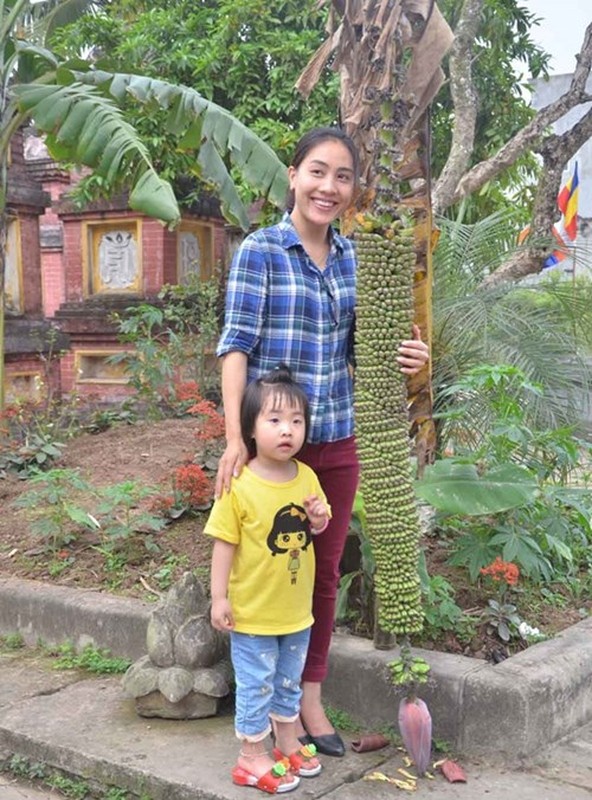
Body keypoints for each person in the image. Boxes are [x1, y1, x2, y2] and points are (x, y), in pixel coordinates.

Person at [215, 126, 429, 758]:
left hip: (336, 438)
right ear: (293, 175)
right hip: (272, 447)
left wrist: (409, 356)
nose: (328, 187)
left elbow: (369, 349)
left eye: (342, 176)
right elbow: (236, 347)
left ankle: (308, 696)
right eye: (317, 171)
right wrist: (235, 438)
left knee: (324, 572)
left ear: (352, 189)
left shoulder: (356, 260)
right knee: (268, 568)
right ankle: (265, 704)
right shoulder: (261, 250)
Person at [206, 364, 331, 793]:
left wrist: (318, 519)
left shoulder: (308, 476)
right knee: (257, 685)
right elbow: (223, 544)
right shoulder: (239, 484)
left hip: (296, 613)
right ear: (251, 428)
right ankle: (250, 757)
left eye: (296, 421)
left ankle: (287, 741)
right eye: (275, 420)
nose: (287, 430)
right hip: (253, 614)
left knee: (287, 681)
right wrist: (218, 598)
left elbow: (317, 527)